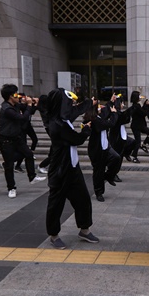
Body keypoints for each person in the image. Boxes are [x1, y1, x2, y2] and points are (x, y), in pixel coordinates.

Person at [45, 88, 99, 249]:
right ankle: (53, 235)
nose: (72, 105)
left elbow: (76, 110)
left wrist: (90, 102)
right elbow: (76, 139)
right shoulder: (57, 124)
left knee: (82, 199)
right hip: (60, 171)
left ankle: (84, 229)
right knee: (56, 205)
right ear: (61, 104)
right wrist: (86, 130)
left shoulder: (64, 117)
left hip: (72, 168)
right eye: (69, 102)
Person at [0, 84, 46, 198]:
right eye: (16, 94)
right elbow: (22, 118)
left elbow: (30, 111)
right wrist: (28, 104)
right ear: (10, 96)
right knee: (9, 166)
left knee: (28, 154)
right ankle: (11, 188)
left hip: (16, 138)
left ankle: (32, 177)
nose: (18, 96)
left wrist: (33, 103)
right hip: (5, 140)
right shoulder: (7, 108)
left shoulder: (15, 105)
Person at [86, 95, 120, 202]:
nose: (102, 108)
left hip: (105, 147)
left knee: (116, 158)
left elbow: (106, 113)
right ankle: (99, 192)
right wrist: (114, 114)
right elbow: (110, 123)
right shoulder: (95, 120)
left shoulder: (99, 117)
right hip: (97, 150)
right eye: (99, 107)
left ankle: (108, 176)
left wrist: (111, 101)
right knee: (98, 171)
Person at [108, 94, 136, 180]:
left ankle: (126, 153)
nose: (123, 104)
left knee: (133, 142)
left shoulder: (118, 112)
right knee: (117, 159)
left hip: (122, 137)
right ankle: (113, 174)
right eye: (122, 103)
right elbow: (122, 118)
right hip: (116, 139)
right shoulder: (114, 113)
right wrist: (129, 110)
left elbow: (125, 119)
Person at [129, 91, 149, 163]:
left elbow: (142, 112)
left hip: (139, 126)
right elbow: (144, 113)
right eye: (139, 95)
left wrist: (144, 105)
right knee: (138, 142)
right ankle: (134, 156)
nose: (140, 97)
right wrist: (147, 105)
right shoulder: (136, 106)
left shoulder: (136, 106)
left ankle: (144, 145)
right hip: (137, 126)